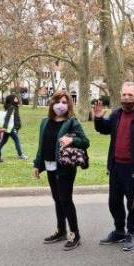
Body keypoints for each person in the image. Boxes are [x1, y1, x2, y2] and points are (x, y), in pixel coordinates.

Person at [93, 82, 134, 252]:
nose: (126, 98)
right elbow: (104, 129)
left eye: (130, 95)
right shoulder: (116, 114)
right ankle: (119, 231)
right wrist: (98, 118)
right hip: (116, 167)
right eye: (124, 95)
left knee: (133, 204)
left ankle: (130, 233)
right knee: (114, 202)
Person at [33, 91, 90, 251]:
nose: (61, 105)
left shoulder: (72, 122)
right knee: (57, 199)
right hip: (50, 165)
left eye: (65, 102)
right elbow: (41, 145)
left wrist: (72, 139)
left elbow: (85, 142)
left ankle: (75, 234)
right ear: (52, 104)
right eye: (58, 101)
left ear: (69, 105)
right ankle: (61, 230)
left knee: (65, 199)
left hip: (65, 167)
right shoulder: (45, 122)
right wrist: (37, 164)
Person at [0, 94, 27, 160]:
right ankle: (20, 155)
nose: (17, 99)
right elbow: (7, 117)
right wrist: (5, 127)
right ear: (12, 99)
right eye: (15, 98)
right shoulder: (12, 107)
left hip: (10, 127)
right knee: (16, 140)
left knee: (3, 141)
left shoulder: (14, 107)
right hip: (11, 127)